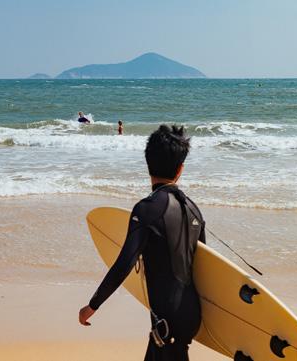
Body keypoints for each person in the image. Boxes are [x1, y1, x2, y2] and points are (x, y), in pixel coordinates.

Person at [79, 125, 205, 361]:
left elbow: (124, 264)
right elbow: (203, 266)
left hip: (166, 318)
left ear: (148, 164)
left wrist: (93, 305)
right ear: (180, 169)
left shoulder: (147, 209)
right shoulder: (194, 209)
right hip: (191, 314)